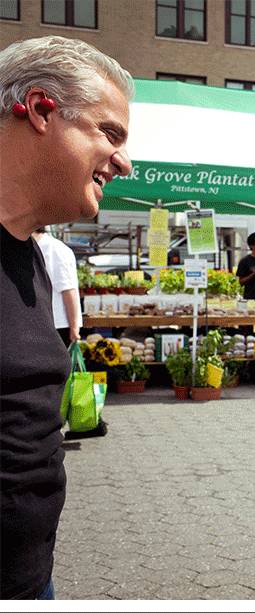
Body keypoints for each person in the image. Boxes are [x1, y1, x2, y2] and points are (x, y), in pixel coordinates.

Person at [0, 35, 133, 600]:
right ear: (38, 109)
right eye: (110, 133)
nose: (124, 162)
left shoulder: (30, 255)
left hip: (31, 576)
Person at [32, 227, 83, 345]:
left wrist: (74, 328)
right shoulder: (33, 247)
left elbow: (68, 290)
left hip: (59, 324)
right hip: (42, 322)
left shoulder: (53, 248)